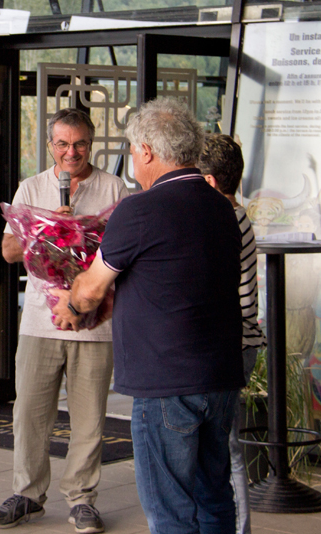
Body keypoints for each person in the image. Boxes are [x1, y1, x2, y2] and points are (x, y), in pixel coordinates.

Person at [51, 97, 245, 534]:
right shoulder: (222, 208)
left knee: (170, 509)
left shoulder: (139, 209)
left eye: (133, 150)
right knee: (214, 495)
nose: (134, 162)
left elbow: (92, 286)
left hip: (167, 382)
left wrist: (72, 306)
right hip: (220, 375)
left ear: (147, 152)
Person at [0, 108, 129, 533]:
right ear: (50, 146)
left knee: (89, 418)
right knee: (29, 411)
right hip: (39, 321)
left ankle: (82, 498)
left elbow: (124, 252)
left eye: (80, 143)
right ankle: (28, 494)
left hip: (95, 320)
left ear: (92, 143)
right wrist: (46, 232)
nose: (72, 152)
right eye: (63, 144)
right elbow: (9, 252)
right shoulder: (32, 187)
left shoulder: (113, 187)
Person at [198, 133, 265, 534]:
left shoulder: (226, 218)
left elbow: (234, 300)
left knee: (226, 448)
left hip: (230, 343)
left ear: (209, 182)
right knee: (224, 445)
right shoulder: (234, 215)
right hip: (236, 342)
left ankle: (238, 527)